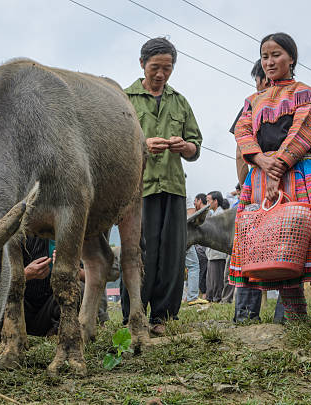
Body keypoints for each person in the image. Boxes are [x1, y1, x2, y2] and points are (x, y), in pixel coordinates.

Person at [228, 33, 311, 322]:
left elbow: (304, 129)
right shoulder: (251, 101)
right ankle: (295, 319)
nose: (270, 62)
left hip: (301, 173)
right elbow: (243, 133)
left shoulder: (304, 92)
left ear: (291, 58)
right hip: (262, 176)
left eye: (276, 55)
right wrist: (261, 161)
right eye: (265, 56)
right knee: (277, 244)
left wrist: (278, 165)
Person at [123, 37, 202, 335]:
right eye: (155, 67)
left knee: (171, 254)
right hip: (137, 189)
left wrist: (186, 148)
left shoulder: (179, 101)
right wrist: (141, 145)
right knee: (139, 250)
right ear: (142, 64)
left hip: (172, 186)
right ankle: (134, 314)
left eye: (167, 68)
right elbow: (116, 144)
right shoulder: (126, 99)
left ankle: (163, 318)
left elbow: (196, 145)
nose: (161, 74)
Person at [205, 191, 228, 303]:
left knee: (217, 278)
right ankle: (210, 297)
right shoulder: (212, 214)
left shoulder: (221, 214)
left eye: (209, 201)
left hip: (218, 252)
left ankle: (217, 298)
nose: (207, 203)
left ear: (216, 201)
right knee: (210, 277)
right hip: (211, 251)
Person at [185, 198, 206, 305]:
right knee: (193, 265)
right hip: (184, 237)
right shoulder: (185, 197)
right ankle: (192, 297)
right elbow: (190, 219)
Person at [194, 193, 208, 300]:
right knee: (200, 271)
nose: (194, 203)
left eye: (195, 200)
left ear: (199, 201)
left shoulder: (205, 213)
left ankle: (203, 294)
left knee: (202, 272)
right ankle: (201, 293)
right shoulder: (201, 212)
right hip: (200, 248)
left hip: (202, 249)